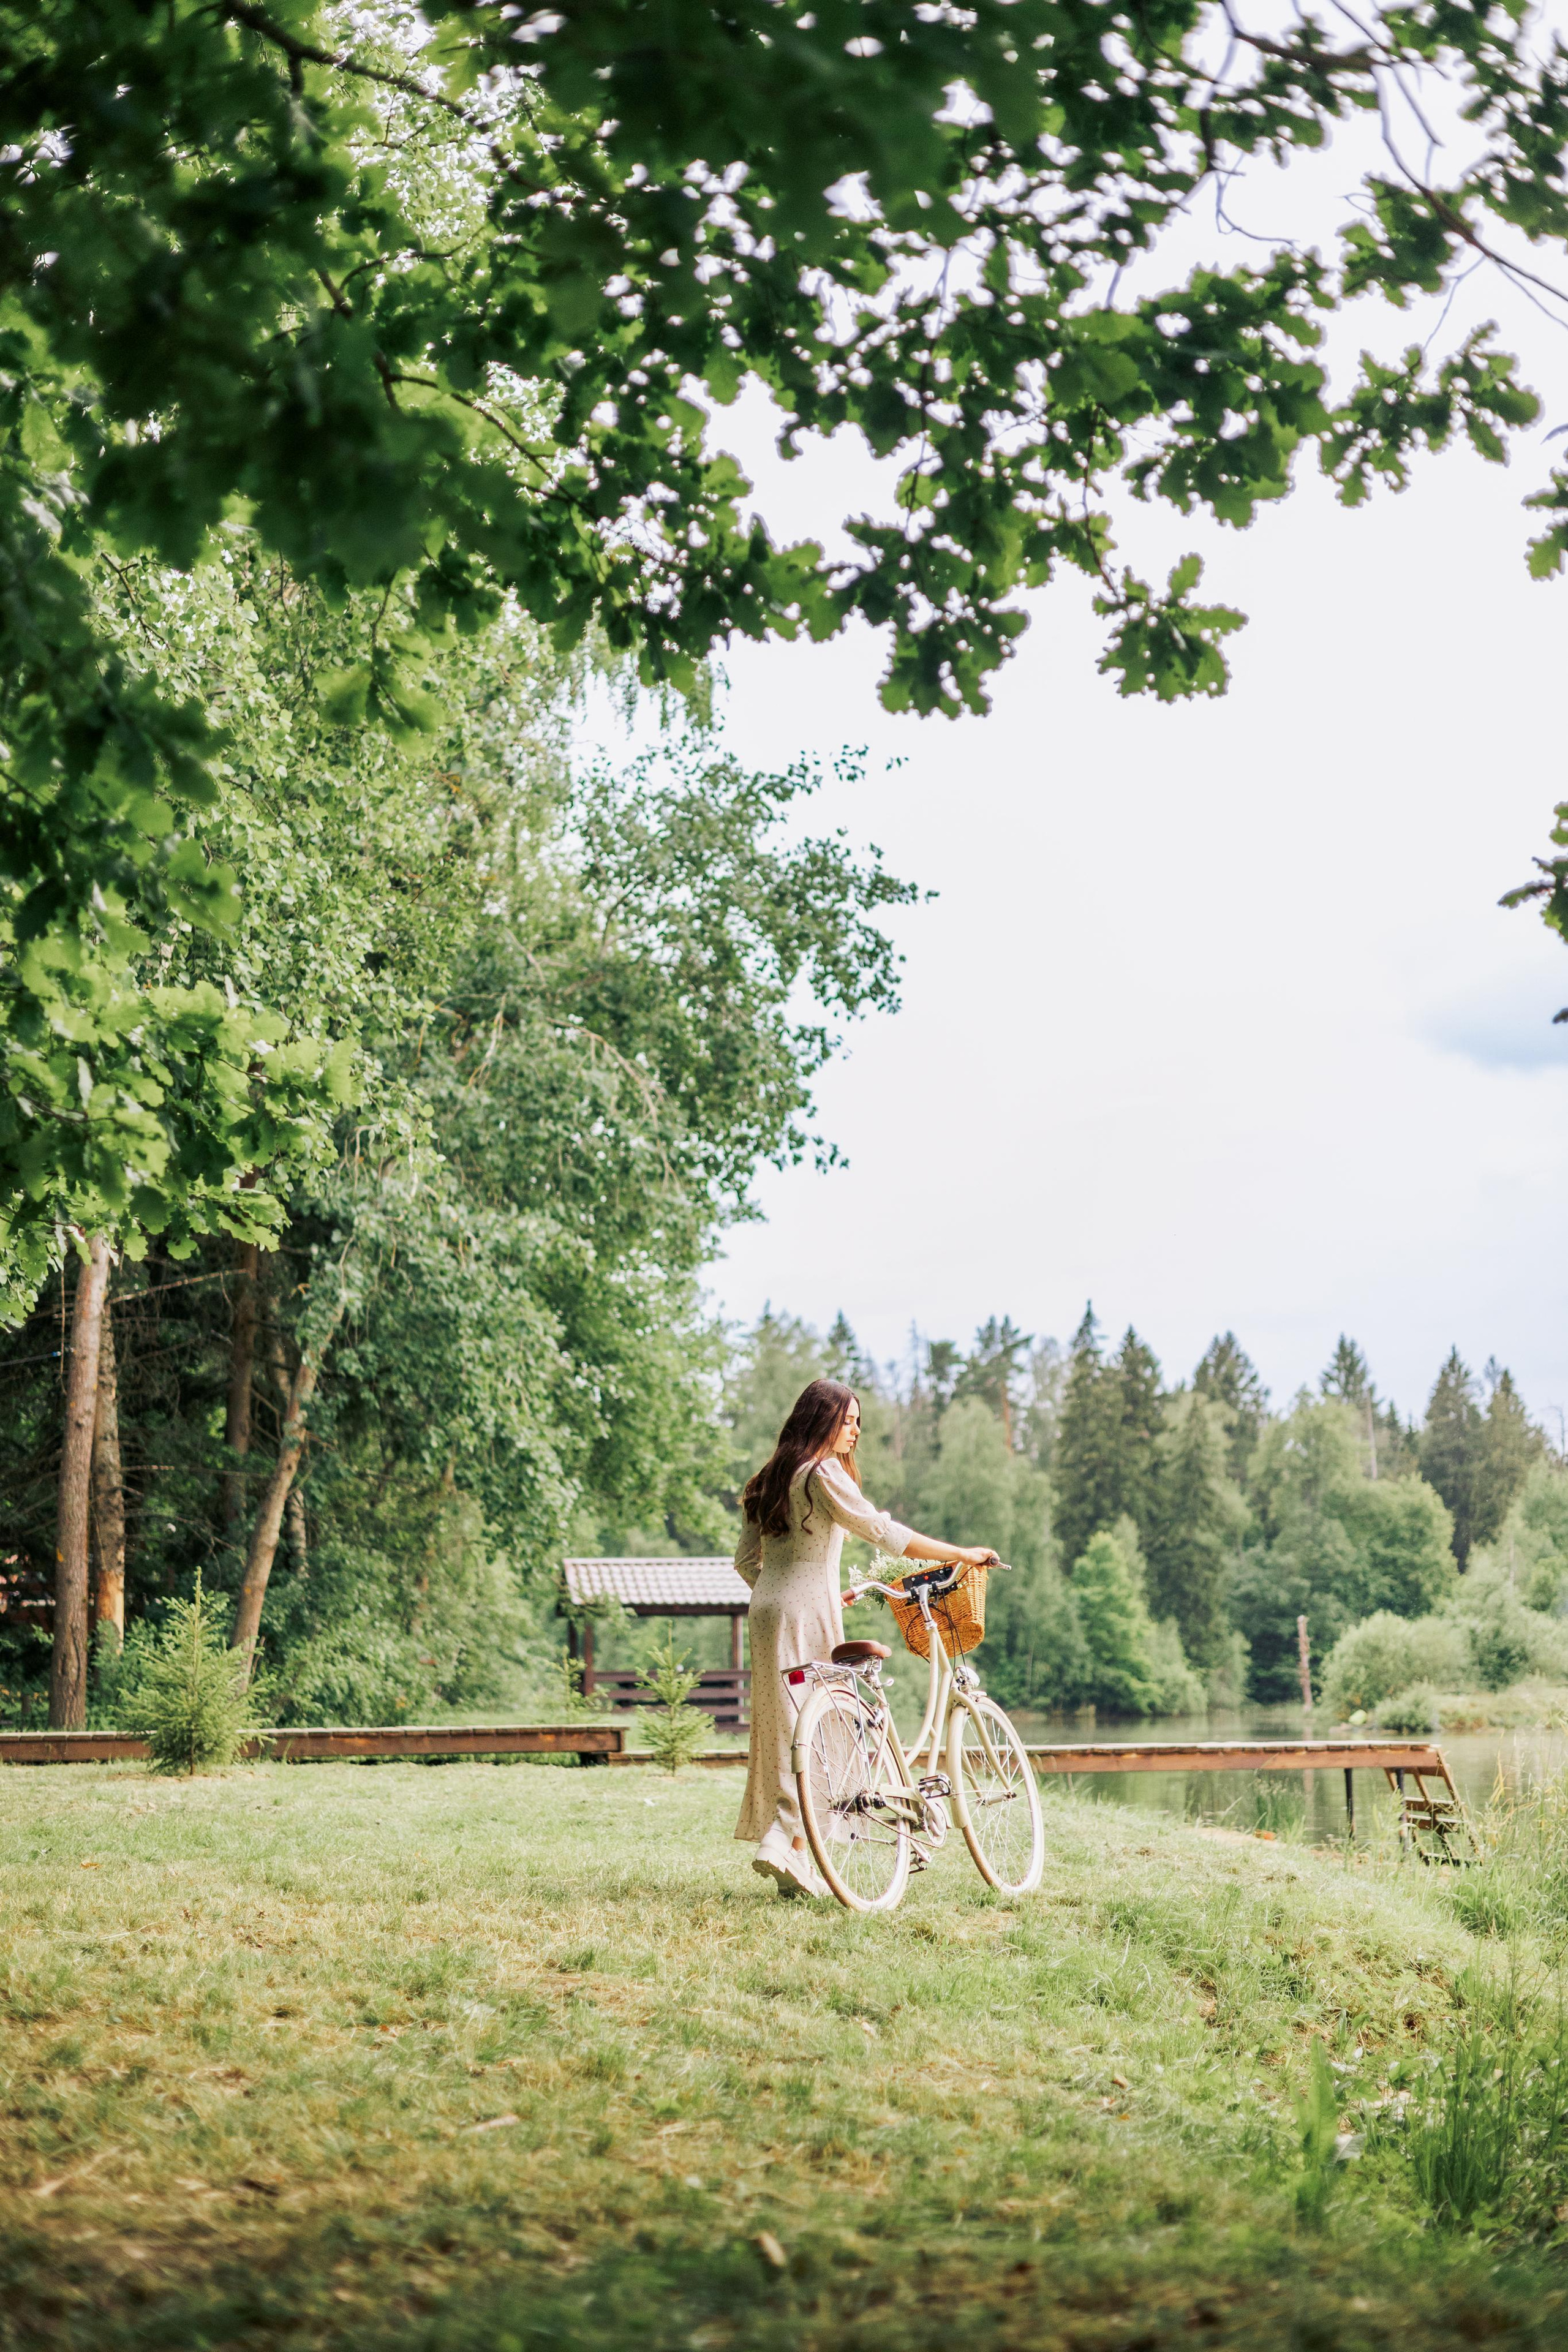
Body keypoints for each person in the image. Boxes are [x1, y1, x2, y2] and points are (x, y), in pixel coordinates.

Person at [733, 1378, 998, 1897]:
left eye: (858, 1422)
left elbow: (747, 1563)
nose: (855, 1431)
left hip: (765, 1611)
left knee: (783, 1723)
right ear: (820, 1420)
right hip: (805, 1613)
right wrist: (959, 1554)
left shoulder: (766, 1479)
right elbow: (883, 1532)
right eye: (847, 1420)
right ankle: (784, 1840)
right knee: (827, 1730)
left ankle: (798, 1855)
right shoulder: (822, 1473)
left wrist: (799, 1593)